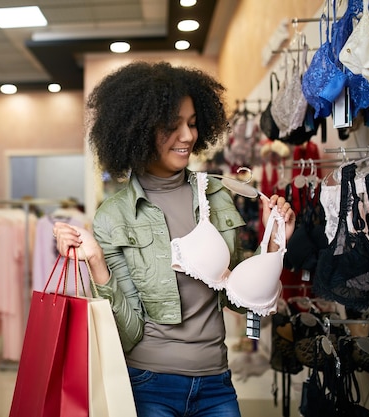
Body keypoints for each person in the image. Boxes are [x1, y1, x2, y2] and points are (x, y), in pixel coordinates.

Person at [53, 61, 296, 417]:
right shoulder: (115, 215)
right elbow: (128, 331)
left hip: (216, 382)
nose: (188, 136)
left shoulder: (216, 194)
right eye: (172, 126)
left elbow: (241, 302)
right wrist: (96, 262)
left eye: (193, 123)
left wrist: (273, 244)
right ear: (137, 131)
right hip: (150, 384)